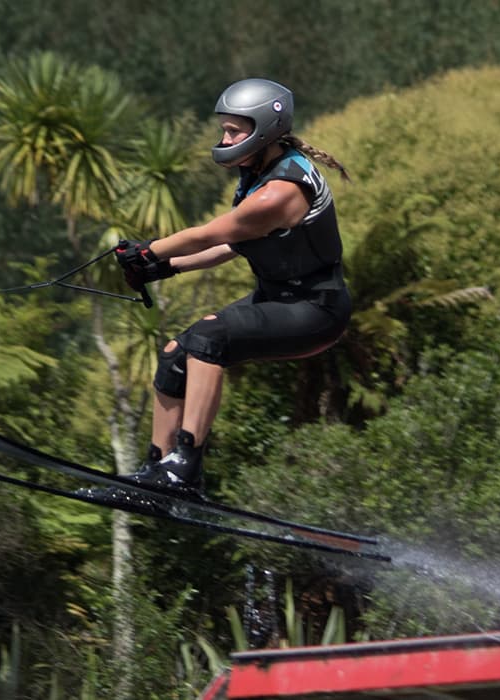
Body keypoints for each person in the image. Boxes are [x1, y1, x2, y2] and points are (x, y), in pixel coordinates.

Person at [113, 78, 353, 499]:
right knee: (174, 356)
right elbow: (231, 245)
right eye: (223, 129)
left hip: (316, 311)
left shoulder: (281, 191)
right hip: (279, 299)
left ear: (262, 131)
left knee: (209, 337)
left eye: (232, 132)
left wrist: (149, 251)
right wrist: (162, 268)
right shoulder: (259, 173)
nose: (223, 139)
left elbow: (211, 234)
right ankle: (156, 469)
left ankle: (185, 468)